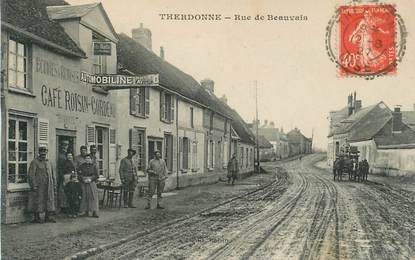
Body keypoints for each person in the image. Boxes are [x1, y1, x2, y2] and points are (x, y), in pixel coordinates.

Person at [27, 146, 57, 223]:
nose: (43, 155)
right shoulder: (34, 162)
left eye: (45, 153)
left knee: (49, 200)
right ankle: (37, 218)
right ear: (39, 153)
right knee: (38, 200)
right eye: (42, 153)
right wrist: (33, 185)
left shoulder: (49, 162)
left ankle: (48, 217)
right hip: (39, 185)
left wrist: (54, 185)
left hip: (49, 185)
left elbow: (53, 174)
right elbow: (31, 175)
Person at [57, 140, 69, 213]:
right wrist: (62, 176)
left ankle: (65, 207)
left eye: (66, 145)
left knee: (66, 192)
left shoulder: (67, 155)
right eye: (64, 145)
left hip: (67, 176)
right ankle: (61, 207)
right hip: (61, 175)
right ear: (61, 146)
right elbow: (60, 167)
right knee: (61, 192)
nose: (65, 147)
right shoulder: (59, 155)